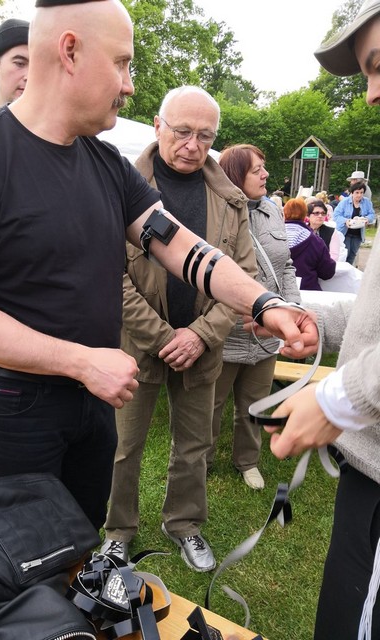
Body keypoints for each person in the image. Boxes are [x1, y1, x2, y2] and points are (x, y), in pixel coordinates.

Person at [0, 0, 315, 534]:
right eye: (122, 63)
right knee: (22, 554)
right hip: (16, 406)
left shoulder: (104, 163)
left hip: (97, 396)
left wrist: (265, 304)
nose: (129, 85)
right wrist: (81, 362)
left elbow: (184, 249)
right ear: (70, 51)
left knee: (80, 537)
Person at [101, 87, 257, 571]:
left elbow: (243, 276)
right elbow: (108, 276)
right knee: (124, 446)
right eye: (182, 131)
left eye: (205, 136)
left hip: (202, 348)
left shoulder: (230, 199)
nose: (193, 145)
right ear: (157, 125)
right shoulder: (120, 184)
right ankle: (117, 531)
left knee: (195, 445)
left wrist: (201, 335)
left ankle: (185, 523)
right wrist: (164, 337)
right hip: (136, 346)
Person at [262, 2, 380, 636]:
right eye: (367, 73)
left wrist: (337, 399)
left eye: (379, 66)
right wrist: (312, 320)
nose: (370, 94)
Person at [206, 144, 301, 490]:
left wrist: (292, 307)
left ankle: (247, 461)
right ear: (235, 175)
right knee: (210, 404)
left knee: (256, 402)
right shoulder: (215, 212)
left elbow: (285, 265)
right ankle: (202, 460)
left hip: (267, 334)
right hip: (227, 330)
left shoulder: (273, 210)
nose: (266, 174)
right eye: (256, 170)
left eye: (263, 167)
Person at [283, 197, 336, 290]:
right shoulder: (315, 241)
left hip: (276, 291)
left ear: (284, 214)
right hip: (307, 290)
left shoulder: (271, 237)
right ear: (305, 215)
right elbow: (327, 272)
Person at [333, 181, 376, 265]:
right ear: (352, 193)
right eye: (357, 192)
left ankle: (349, 271)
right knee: (345, 253)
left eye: (361, 192)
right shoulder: (344, 202)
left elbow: (372, 214)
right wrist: (346, 221)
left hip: (358, 234)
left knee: (352, 254)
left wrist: (367, 219)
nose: (359, 195)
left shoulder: (367, 202)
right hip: (345, 232)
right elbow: (336, 215)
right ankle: (342, 271)